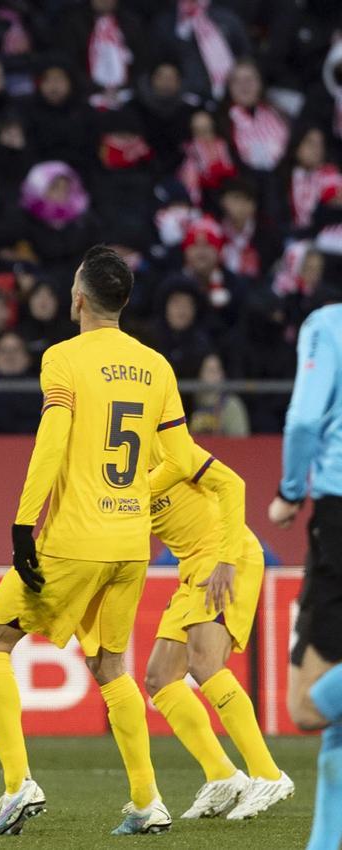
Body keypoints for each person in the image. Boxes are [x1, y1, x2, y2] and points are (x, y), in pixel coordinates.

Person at [0, 246, 195, 836]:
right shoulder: (158, 366)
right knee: (110, 663)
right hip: (130, 541)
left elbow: (52, 441)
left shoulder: (63, 359)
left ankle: (18, 786)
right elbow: (182, 458)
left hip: (74, 538)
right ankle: (148, 801)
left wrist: (23, 524)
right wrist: (138, 495)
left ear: (79, 298)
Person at [144, 439, 292, 819]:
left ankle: (268, 774)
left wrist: (226, 560)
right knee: (160, 679)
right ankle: (222, 775)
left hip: (226, 556)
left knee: (205, 662)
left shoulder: (166, 447)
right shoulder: (114, 472)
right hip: (191, 567)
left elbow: (234, 484)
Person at [268, 291, 342, 850]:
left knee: (308, 704)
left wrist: (291, 491)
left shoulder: (328, 324)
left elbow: (304, 420)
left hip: (339, 513)